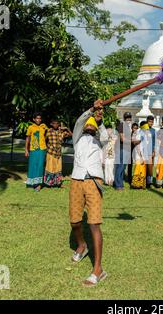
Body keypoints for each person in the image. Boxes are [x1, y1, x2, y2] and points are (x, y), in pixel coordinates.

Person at [69, 99, 108, 287]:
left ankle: (98, 270)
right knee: (75, 221)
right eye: (89, 125)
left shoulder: (100, 139)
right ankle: (82, 245)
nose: (90, 128)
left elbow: (106, 135)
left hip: (93, 180)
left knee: (93, 223)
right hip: (76, 179)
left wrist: (100, 118)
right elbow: (78, 122)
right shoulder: (77, 137)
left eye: (94, 126)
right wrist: (92, 109)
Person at [44, 119, 72, 188]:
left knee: (58, 169)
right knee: (50, 168)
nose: (55, 125)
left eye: (57, 124)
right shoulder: (48, 131)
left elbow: (71, 135)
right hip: (50, 153)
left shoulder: (61, 132)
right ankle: (48, 184)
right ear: (51, 124)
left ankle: (58, 183)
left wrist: (66, 128)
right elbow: (44, 140)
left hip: (58, 154)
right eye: (54, 123)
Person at [25, 113, 48, 192]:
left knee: (40, 166)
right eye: (37, 118)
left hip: (42, 149)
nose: (38, 120)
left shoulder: (43, 126)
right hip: (33, 149)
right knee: (33, 165)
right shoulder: (30, 127)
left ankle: (38, 184)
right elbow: (27, 139)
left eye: (40, 118)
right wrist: (26, 150)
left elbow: (47, 135)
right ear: (34, 119)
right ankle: (33, 182)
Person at [114, 112, 132, 191]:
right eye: (127, 118)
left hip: (126, 149)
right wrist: (132, 141)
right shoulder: (121, 125)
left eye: (129, 118)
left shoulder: (128, 127)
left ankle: (120, 183)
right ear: (124, 118)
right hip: (121, 148)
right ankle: (118, 185)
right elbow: (122, 138)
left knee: (123, 167)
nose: (128, 119)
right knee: (120, 167)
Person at [131, 121, 149, 189]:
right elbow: (134, 141)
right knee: (138, 167)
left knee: (143, 168)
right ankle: (136, 184)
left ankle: (141, 184)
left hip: (144, 153)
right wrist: (140, 154)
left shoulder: (145, 134)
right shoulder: (138, 132)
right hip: (138, 153)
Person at [146, 115, 156, 188]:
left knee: (150, 167)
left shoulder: (153, 130)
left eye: (152, 122)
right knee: (144, 166)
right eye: (149, 121)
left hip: (150, 151)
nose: (151, 123)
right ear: (147, 121)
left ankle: (149, 182)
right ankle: (143, 181)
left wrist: (153, 151)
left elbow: (154, 142)